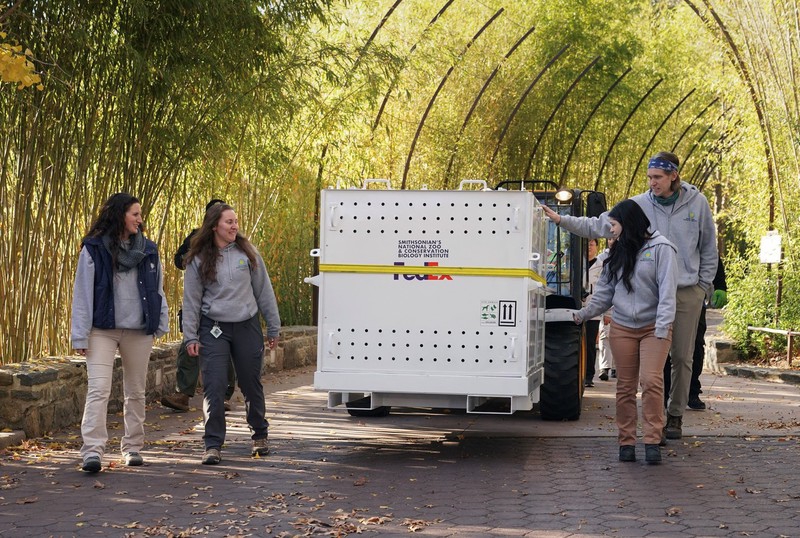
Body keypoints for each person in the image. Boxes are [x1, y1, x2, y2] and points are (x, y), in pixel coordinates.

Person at [543, 151, 717, 442]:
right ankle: (655, 421)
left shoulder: (697, 203)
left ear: (674, 175)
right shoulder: (638, 204)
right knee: (653, 364)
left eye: (658, 178)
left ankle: (674, 415)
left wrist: (703, 286)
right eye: (649, 178)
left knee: (683, 357)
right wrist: (562, 220)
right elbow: (599, 225)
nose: (652, 183)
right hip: (649, 290)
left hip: (686, 291)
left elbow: (709, 247)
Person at [572, 199, 677, 464]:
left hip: (654, 327)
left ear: (628, 224)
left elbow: (667, 294)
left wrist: (664, 327)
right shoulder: (616, 252)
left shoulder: (662, 249)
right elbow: (605, 293)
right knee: (625, 387)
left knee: (651, 381)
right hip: (622, 327)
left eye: (614, 225)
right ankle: (626, 441)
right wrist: (584, 314)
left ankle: (652, 440)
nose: (611, 231)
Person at [71, 193, 169, 473]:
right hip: (101, 330)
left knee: (136, 391)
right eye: (135, 214)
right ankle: (92, 451)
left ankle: (133, 447)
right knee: (98, 389)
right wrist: (80, 334)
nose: (141, 219)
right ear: (119, 215)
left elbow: (158, 290)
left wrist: (161, 322)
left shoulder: (149, 250)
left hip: (139, 331)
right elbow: (82, 294)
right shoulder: (94, 248)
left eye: (140, 214)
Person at [182, 203, 281, 465]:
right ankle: (212, 444)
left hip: (246, 325)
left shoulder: (247, 254)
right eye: (229, 222)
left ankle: (259, 434)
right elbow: (191, 301)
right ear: (214, 225)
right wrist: (190, 336)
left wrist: (273, 327)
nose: (234, 226)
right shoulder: (198, 259)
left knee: (250, 382)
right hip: (213, 328)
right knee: (214, 385)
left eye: (236, 221)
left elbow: (264, 292)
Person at [161, 199, 237, 413]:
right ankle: (183, 394)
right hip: (196, 303)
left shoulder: (234, 241)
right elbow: (178, 260)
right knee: (189, 347)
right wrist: (191, 258)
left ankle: (223, 395)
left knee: (225, 350)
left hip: (225, 306)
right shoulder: (195, 237)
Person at [664, 255, 727, 410]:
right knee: (663, 344)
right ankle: (665, 391)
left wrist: (720, 285)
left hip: (694, 296)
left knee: (696, 344)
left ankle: (692, 392)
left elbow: (711, 255)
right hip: (663, 294)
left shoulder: (698, 231)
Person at [582, 239, 602, 387]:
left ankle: (589, 376)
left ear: (596, 247)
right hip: (578, 307)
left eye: (592, 244)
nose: (589, 247)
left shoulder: (601, 266)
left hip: (593, 310)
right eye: (587, 244)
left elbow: (605, 290)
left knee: (590, 343)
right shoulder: (576, 263)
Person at [596, 238, 616, 381]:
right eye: (609, 238)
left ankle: (616, 367)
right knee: (605, 336)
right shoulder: (602, 259)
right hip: (606, 304)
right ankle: (604, 367)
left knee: (620, 339)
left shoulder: (629, 254)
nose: (612, 241)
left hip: (623, 306)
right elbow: (603, 287)